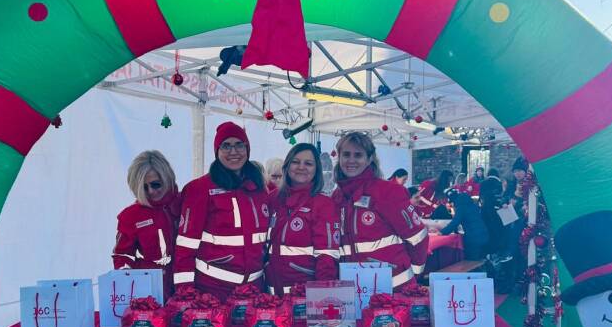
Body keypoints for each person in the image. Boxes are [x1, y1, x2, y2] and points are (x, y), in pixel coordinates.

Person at [173, 122, 270, 298]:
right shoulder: (200, 189)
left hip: (254, 291)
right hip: (213, 293)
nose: (233, 151)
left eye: (239, 145)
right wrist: (185, 293)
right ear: (217, 151)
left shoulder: (258, 189)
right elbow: (185, 247)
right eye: (226, 146)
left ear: (247, 149)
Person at [332, 132, 428, 289]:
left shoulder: (388, 192)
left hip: (394, 287)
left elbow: (418, 238)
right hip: (354, 288)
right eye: (346, 154)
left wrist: (415, 274)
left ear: (369, 159)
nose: (351, 160)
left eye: (358, 155)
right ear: (339, 157)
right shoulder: (337, 197)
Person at [266, 143, 340, 295]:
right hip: (269, 297)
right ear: (287, 166)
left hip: (303, 299)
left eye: (308, 163)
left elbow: (326, 257)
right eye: (295, 161)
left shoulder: (323, 204)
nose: (301, 167)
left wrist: (322, 297)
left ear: (316, 170)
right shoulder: (272, 199)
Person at [112, 151, 181, 299]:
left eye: (156, 184)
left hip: (187, 288)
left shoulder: (185, 203)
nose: (151, 191)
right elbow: (122, 255)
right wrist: (129, 283)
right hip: (151, 293)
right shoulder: (130, 216)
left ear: (167, 178)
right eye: (144, 187)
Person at [441, 188, 489, 260]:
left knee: (471, 261)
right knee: (480, 258)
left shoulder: (461, 207)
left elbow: (455, 223)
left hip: (474, 238)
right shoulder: (470, 203)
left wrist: (442, 232)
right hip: (483, 234)